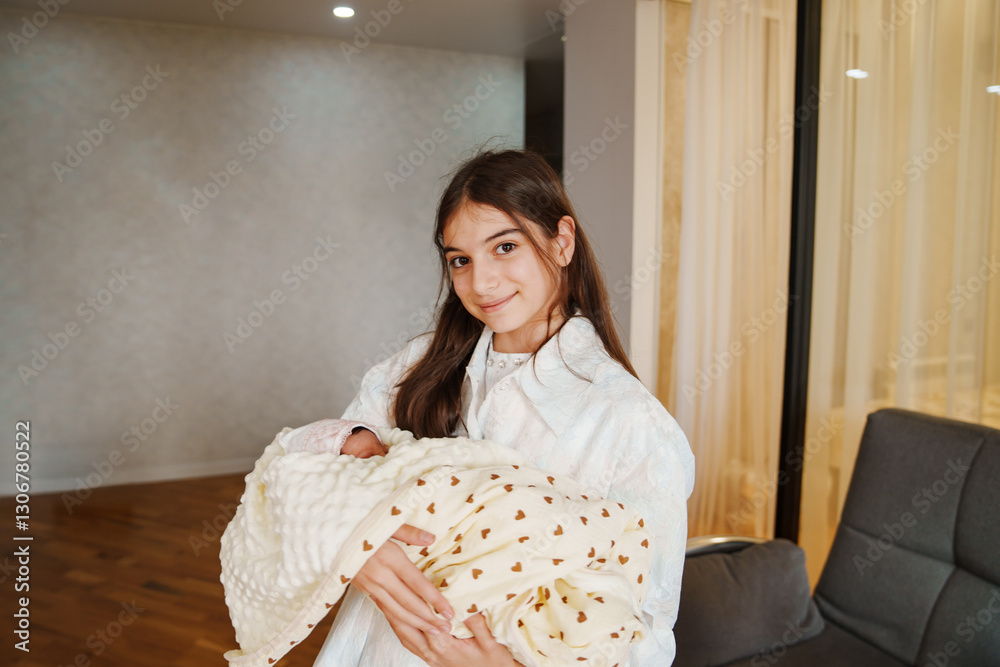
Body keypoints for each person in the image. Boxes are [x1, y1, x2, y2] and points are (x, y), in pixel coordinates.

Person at [314, 148, 695, 667]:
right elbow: (302, 469)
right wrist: (354, 540)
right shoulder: (415, 368)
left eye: (505, 246)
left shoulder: (632, 426)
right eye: (460, 260)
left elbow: (644, 634)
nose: (481, 282)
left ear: (562, 242)